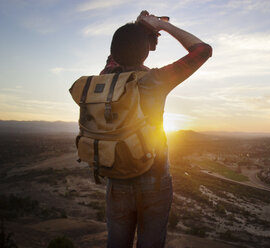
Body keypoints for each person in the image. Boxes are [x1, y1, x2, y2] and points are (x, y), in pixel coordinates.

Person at [100, 10, 212, 248]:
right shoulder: (156, 80)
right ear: (145, 51)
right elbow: (203, 50)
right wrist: (162, 26)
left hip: (116, 179)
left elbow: (117, 52)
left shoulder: (104, 79)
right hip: (154, 180)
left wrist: (138, 29)